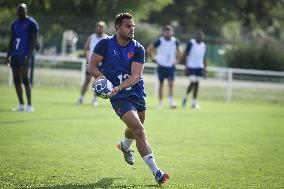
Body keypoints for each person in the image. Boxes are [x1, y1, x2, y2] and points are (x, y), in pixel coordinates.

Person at [87, 13, 169, 185]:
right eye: (128, 26)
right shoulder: (105, 44)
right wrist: (101, 78)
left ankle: (124, 146)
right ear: (118, 27)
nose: (132, 29)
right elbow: (91, 65)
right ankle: (157, 172)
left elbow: (135, 77)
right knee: (139, 130)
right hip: (119, 97)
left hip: (136, 92)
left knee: (135, 128)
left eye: (133, 26)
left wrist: (119, 86)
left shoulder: (137, 48)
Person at [5, 3, 39, 112]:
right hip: (15, 56)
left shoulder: (31, 23)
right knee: (16, 80)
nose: (20, 12)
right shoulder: (14, 24)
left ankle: (29, 105)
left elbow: (34, 42)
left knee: (25, 79)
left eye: (22, 10)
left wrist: (28, 56)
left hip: (24, 56)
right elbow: (11, 41)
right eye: (19, 10)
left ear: (26, 11)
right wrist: (8, 56)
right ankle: (21, 104)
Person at [147, 25, 181, 109]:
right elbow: (149, 49)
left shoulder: (175, 41)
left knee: (171, 83)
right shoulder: (160, 41)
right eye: (166, 31)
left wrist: (177, 61)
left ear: (172, 32)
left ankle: (170, 102)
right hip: (161, 65)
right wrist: (154, 59)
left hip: (171, 66)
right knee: (161, 84)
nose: (168, 32)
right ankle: (160, 103)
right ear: (164, 32)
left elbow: (180, 51)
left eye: (169, 31)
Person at [76, 21, 108, 106]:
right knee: (87, 81)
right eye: (98, 26)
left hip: (101, 64)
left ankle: (94, 100)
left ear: (104, 28)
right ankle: (81, 98)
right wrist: (88, 59)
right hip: (91, 64)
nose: (99, 28)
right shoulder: (91, 37)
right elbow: (85, 49)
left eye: (101, 27)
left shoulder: (107, 39)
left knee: (98, 82)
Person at [182, 31, 207, 109]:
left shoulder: (203, 45)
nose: (200, 38)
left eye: (201, 37)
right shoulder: (191, 43)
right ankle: (186, 96)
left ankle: (194, 102)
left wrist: (205, 70)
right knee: (192, 83)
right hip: (191, 66)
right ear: (196, 36)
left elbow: (204, 58)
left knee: (197, 84)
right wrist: (186, 67)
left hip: (199, 67)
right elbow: (186, 54)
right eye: (198, 36)